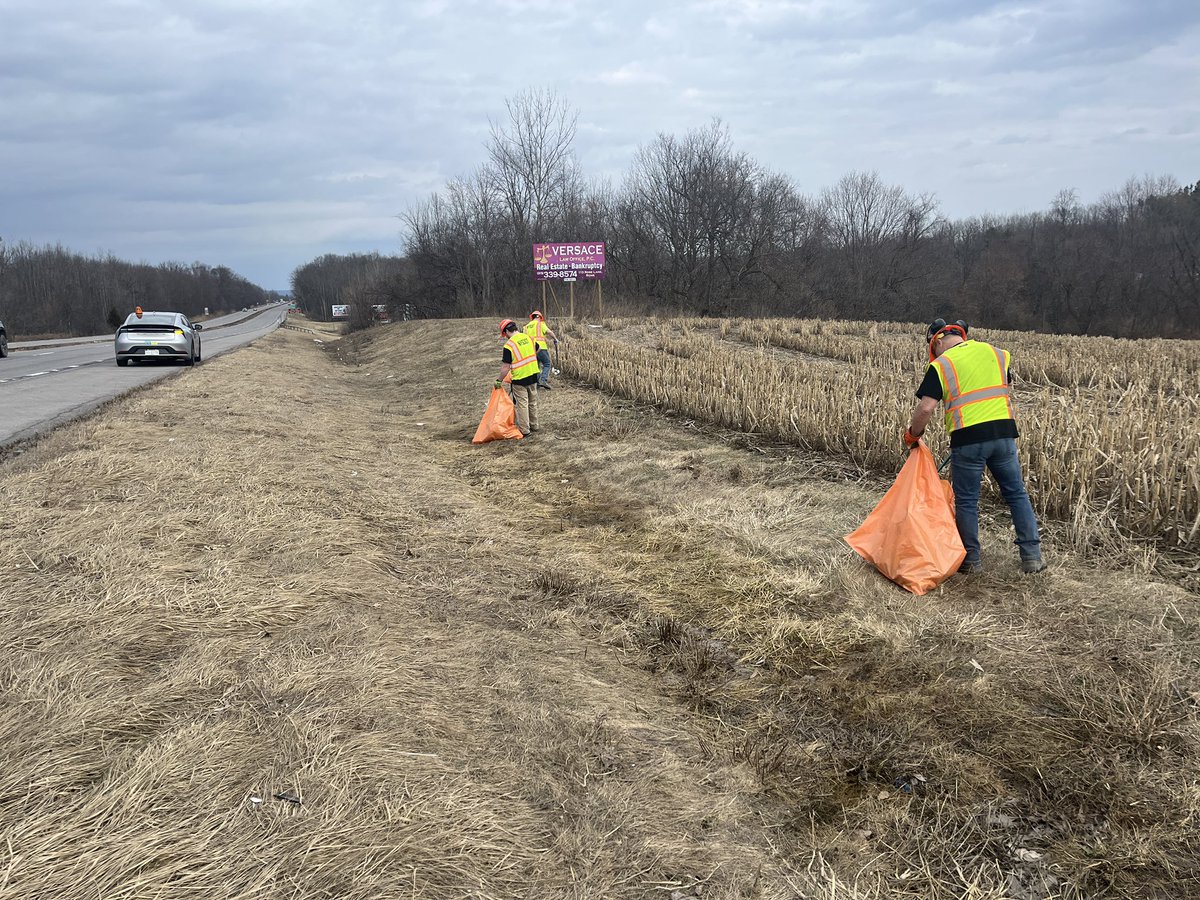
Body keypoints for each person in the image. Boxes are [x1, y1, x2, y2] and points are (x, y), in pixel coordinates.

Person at [904, 318, 1046, 575]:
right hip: (1003, 434)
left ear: (937, 342)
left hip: (968, 439)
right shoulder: (997, 353)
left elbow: (925, 408)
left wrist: (913, 435)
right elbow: (1004, 387)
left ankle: (971, 562)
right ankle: (1032, 557)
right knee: (1016, 494)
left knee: (967, 500)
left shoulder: (942, 364)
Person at [497, 319, 540, 436]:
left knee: (522, 404)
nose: (505, 337)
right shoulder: (529, 338)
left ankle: (525, 430)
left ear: (506, 331)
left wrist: (499, 380)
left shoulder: (509, 345)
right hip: (533, 374)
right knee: (532, 402)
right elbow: (538, 348)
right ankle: (534, 425)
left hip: (520, 379)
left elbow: (506, 367)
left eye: (504, 334)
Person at [524, 310, 558, 389]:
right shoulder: (540, 324)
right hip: (541, 347)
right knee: (547, 363)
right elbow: (549, 332)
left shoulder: (526, 327)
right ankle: (543, 380)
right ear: (539, 317)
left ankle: (537, 383)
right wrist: (555, 339)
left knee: (536, 366)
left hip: (531, 349)